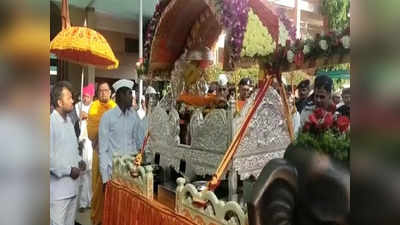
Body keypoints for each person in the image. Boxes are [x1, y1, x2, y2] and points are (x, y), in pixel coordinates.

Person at [98, 79, 147, 186]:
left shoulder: (134, 116)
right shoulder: (107, 117)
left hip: (132, 172)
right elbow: (103, 150)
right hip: (114, 173)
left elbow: (140, 142)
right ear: (120, 95)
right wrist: (105, 179)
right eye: (129, 94)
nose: (132, 98)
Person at [50, 81, 86, 225]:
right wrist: (69, 170)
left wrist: (79, 160)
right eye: (69, 98)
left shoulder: (70, 123)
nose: (73, 100)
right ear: (59, 102)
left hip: (72, 189)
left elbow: (71, 149)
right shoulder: (50, 123)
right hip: (58, 192)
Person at [87, 82, 116, 225]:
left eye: (106, 90)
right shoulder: (94, 107)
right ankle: (96, 219)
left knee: (110, 188)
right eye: (101, 91)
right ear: (98, 93)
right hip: (98, 154)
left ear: (110, 92)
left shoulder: (114, 107)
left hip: (112, 155)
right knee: (97, 188)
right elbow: (91, 132)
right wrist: (105, 127)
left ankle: (107, 218)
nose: (103, 93)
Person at [75, 84, 95, 212]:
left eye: (87, 96)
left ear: (92, 97)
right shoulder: (78, 106)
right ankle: (82, 203)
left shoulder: (95, 107)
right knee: (82, 172)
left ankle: (90, 201)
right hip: (81, 142)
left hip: (91, 144)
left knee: (90, 174)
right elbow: (75, 118)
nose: (85, 98)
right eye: (83, 96)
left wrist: (88, 116)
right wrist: (80, 116)